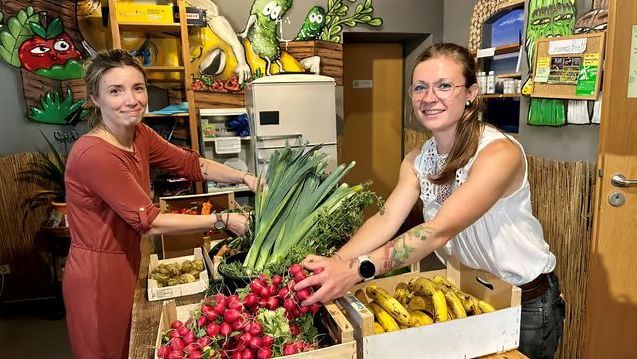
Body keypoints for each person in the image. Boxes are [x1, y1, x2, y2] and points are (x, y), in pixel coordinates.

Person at [295, 43, 565, 359]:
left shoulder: (498, 154)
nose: (429, 97)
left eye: (444, 86)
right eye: (420, 88)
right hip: (473, 296)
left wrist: (358, 270)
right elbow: (385, 219)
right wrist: (337, 264)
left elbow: (437, 230)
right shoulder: (417, 161)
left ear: (471, 93)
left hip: (527, 305)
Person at [62, 49, 258, 359]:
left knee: (134, 346)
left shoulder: (139, 134)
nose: (132, 99)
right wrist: (221, 219)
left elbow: (193, 165)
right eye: (116, 91)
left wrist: (247, 178)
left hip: (127, 256)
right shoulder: (95, 154)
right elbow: (150, 221)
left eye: (137, 88)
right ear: (95, 99)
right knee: (107, 350)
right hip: (98, 272)